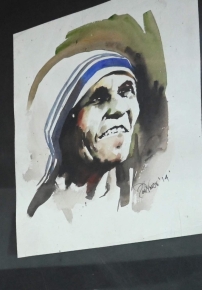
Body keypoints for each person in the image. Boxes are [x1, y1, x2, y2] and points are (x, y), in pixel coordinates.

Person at [28, 52, 142, 217]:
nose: (120, 107)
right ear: (65, 120)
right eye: (99, 97)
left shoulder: (133, 195)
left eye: (126, 91)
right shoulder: (44, 213)